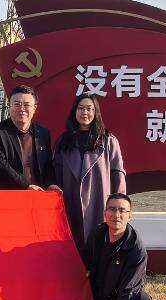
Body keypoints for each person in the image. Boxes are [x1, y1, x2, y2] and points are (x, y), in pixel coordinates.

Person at [53, 95, 127, 256]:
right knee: (74, 253)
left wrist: (119, 207)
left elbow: (118, 174)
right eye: (80, 108)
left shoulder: (107, 140)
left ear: (95, 112)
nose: (84, 112)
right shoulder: (63, 142)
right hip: (71, 205)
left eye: (89, 108)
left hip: (99, 204)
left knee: (99, 250)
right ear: (74, 112)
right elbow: (56, 175)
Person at [87, 193, 152, 300]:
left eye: (122, 210)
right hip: (97, 297)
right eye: (112, 209)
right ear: (105, 213)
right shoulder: (98, 234)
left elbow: (128, 291)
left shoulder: (137, 251)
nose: (116, 215)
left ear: (130, 216)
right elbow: (86, 262)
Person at [0, 85, 59, 191]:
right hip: (10, 193)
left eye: (27, 105)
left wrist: (50, 183)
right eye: (17, 104)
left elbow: (47, 165)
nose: (22, 109)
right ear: (9, 106)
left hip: (39, 194)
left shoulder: (43, 133)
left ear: (34, 108)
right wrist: (26, 185)